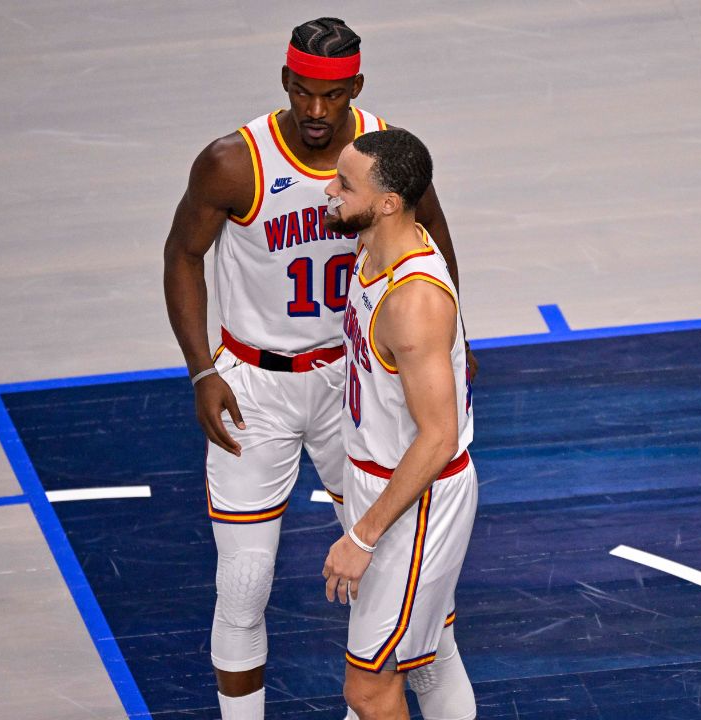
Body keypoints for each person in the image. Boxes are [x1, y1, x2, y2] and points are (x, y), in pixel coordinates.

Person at [161, 18, 467, 720]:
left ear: (356, 88)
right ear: (285, 84)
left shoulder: (384, 159)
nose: (317, 111)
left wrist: (453, 342)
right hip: (253, 384)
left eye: (333, 96)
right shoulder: (233, 162)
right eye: (304, 93)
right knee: (243, 583)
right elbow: (183, 253)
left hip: (356, 385)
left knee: (412, 597)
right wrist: (201, 371)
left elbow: (434, 238)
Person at [322, 129, 478, 719]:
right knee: (432, 655)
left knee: (366, 686)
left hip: (417, 500)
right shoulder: (373, 247)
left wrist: (362, 536)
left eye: (345, 184)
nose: (329, 192)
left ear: (389, 202)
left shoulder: (413, 301)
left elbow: (437, 437)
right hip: (382, 482)